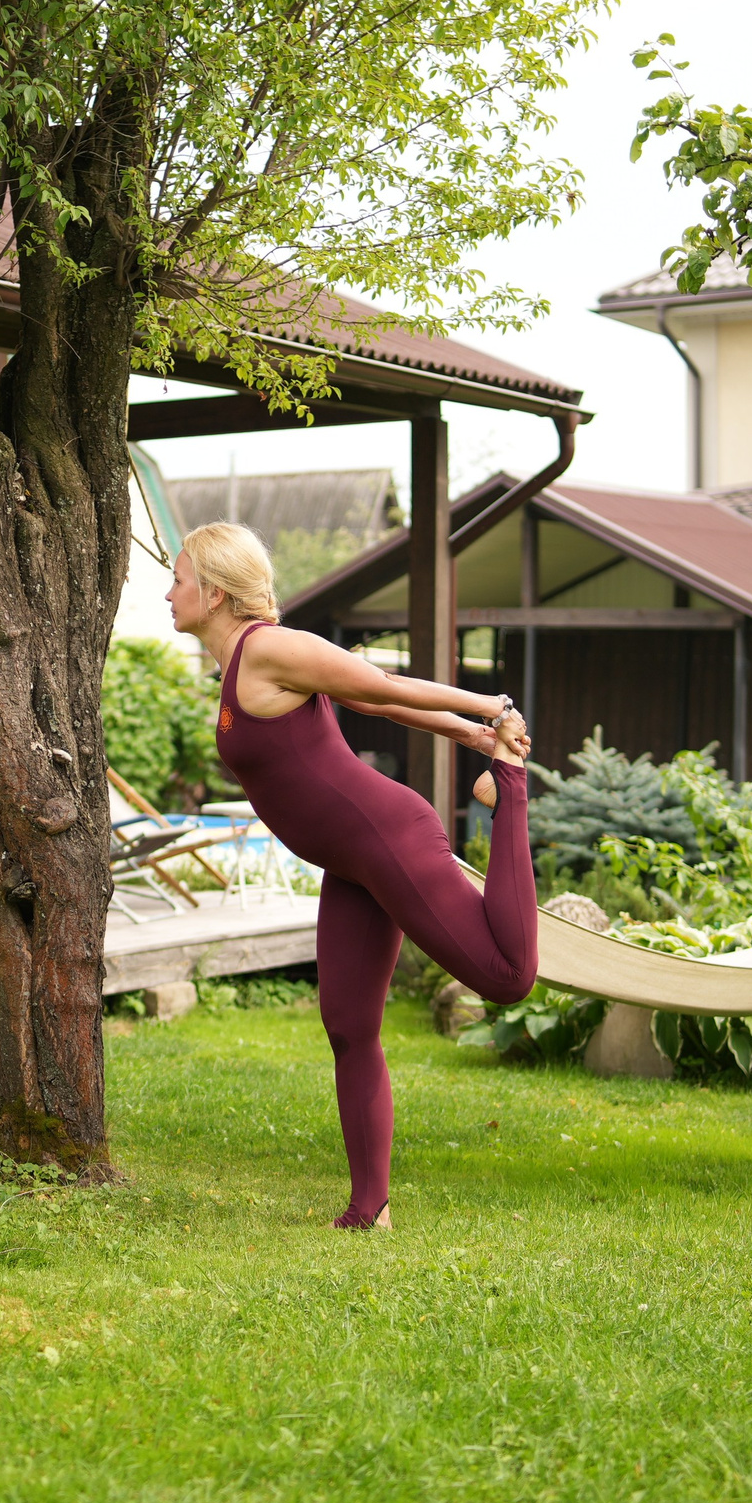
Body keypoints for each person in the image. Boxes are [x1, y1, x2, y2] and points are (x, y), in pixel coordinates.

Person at [166, 522, 536, 1230]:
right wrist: (462, 735)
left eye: (179, 578)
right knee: (349, 1024)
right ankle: (371, 1207)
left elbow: (379, 681)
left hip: (387, 838)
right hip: (351, 864)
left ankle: (512, 787)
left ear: (214, 591)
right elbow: (367, 702)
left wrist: (490, 713)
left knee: (508, 975)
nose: (169, 590)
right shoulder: (240, 664)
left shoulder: (268, 647)